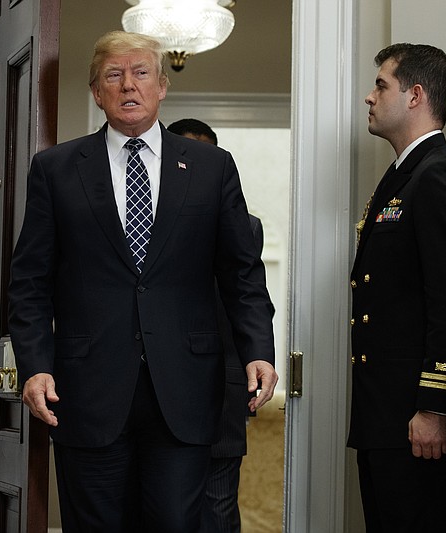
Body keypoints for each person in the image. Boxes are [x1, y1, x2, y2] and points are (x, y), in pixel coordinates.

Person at [8, 31, 278, 533]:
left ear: (161, 87)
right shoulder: (56, 168)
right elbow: (29, 279)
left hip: (184, 391)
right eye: (114, 75)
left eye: (140, 73)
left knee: (176, 523)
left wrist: (259, 349)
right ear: (96, 91)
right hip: (86, 392)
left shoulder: (211, 167)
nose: (128, 85)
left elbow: (242, 273)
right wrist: (34, 365)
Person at [348, 43, 446, 532]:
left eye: (381, 85)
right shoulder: (406, 172)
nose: (369, 96)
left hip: (415, 415)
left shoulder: (440, 176)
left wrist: (434, 405)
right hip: (386, 411)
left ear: (415, 95)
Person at [166, 117, 267, 533]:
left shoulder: (246, 227)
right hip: (152, 387)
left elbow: (248, 300)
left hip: (219, 393)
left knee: (217, 510)